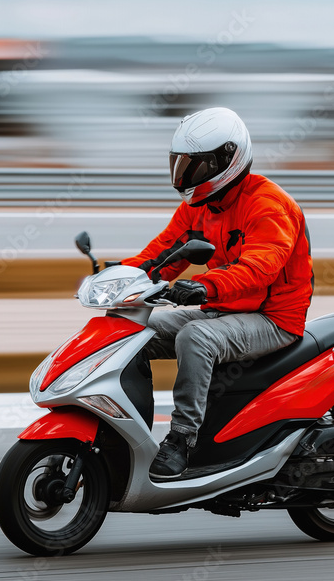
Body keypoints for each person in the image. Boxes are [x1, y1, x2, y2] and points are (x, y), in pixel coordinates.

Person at [120, 106, 314, 479]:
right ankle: (129, 431)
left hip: (273, 318)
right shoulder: (201, 206)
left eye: (194, 166)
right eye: (181, 164)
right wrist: (119, 275)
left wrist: (205, 286)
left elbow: (260, 269)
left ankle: (182, 439)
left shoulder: (268, 206)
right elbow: (161, 256)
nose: (184, 175)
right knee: (133, 332)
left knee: (195, 337)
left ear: (226, 160)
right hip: (225, 308)